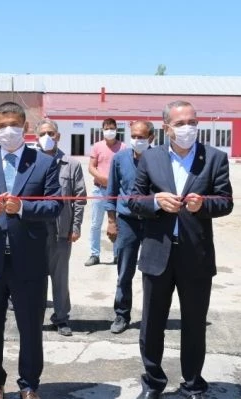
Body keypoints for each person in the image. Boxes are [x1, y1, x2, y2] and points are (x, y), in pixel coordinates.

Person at [129, 101, 233, 399]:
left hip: (195, 255)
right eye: (180, 123)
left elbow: (226, 201)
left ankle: (193, 382)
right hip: (157, 254)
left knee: (194, 323)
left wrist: (204, 205)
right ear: (166, 128)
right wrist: (155, 202)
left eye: (192, 122)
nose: (188, 128)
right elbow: (134, 199)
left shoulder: (214, 158)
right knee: (152, 324)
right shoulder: (151, 158)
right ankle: (153, 382)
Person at [0, 102, 62, 399]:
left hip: (28, 261)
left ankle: (29, 384)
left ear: (25, 127)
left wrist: (24, 208)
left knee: (30, 327)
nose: (8, 131)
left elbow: (55, 205)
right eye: (2, 126)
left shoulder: (43, 163)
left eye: (14, 125)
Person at [35, 118, 86, 337]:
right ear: (36, 137)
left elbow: (80, 198)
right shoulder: (30, 163)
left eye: (51, 133)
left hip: (60, 230)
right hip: (34, 230)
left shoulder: (71, 164)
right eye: (42, 133)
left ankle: (61, 318)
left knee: (60, 277)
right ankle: (34, 317)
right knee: (35, 278)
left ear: (58, 136)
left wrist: (76, 226)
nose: (47, 137)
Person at [105, 120, 154, 335]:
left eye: (141, 137)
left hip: (153, 221)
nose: (136, 140)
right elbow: (112, 191)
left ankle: (153, 316)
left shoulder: (159, 158)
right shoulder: (120, 158)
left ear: (151, 138)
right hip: (127, 222)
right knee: (124, 271)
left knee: (153, 272)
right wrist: (111, 221)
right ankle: (122, 314)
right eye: (133, 136)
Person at [86, 118, 126, 266]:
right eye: (107, 128)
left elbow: (125, 167)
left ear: (116, 130)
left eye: (112, 128)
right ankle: (94, 254)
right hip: (99, 190)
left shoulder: (123, 147)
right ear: (103, 130)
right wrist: (101, 178)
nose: (109, 131)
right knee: (96, 224)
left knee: (117, 223)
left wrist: (115, 182)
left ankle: (117, 254)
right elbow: (91, 167)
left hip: (116, 192)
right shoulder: (97, 146)